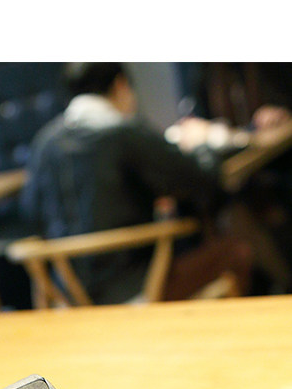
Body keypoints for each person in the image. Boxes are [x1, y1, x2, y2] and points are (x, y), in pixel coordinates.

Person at [21, 62, 254, 304]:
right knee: (235, 252)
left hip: (68, 297)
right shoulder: (123, 132)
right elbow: (202, 180)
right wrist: (202, 143)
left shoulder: (44, 143)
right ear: (120, 85)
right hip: (135, 289)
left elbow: (31, 214)